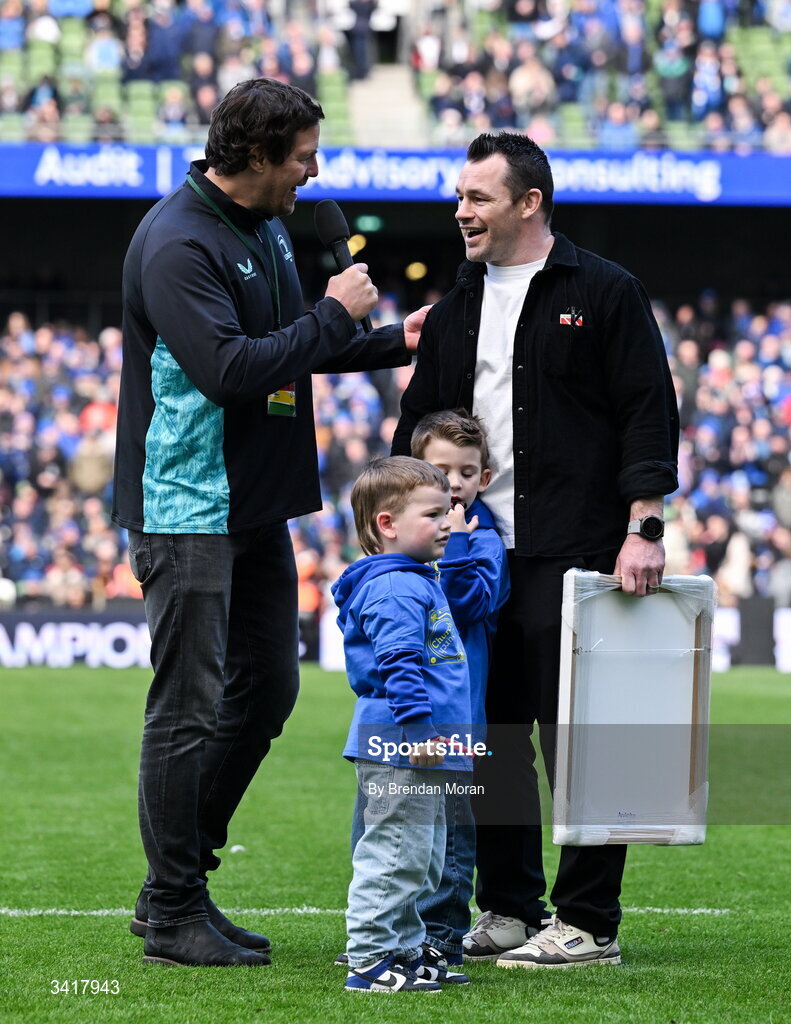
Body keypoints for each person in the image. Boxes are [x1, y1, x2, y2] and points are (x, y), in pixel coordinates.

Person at [111, 78, 428, 968]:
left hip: (250, 502)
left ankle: (173, 887)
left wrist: (395, 340)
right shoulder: (176, 241)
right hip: (189, 506)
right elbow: (226, 368)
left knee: (268, 693)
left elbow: (297, 343)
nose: (313, 171)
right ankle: (173, 908)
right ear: (252, 156)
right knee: (184, 709)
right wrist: (336, 314)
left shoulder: (268, 228)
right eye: (300, 157)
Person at [392, 131, 679, 968]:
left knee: (582, 739)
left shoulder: (605, 290)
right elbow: (417, 428)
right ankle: (510, 909)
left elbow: (646, 413)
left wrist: (642, 527)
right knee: (491, 735)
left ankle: (588, 922)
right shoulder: (454, 307)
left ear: (529, 202)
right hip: (478, 557)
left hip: (582, 551)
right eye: (458, 197)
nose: (460, 212)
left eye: (477, 198)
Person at [332, 456, 472, 992]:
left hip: (421, 747)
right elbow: (399, 666)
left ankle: (406, 949)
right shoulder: (396, 589)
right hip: (402, 746)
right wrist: (419, 735)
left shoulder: (415, 580)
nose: (447, 523)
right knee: (394, 853)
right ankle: (369, 958)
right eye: (434, 514)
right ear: (387, 524)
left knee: (422, 858)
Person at [409, 410, 510, 963]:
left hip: (457, 720)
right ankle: (390, 929)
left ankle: (442, 934)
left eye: (465, 472)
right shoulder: (400, 539)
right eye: (438, 468)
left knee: (450, 836)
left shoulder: (486, 541)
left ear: (483, 480)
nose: (452, 482)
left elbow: (470, 603)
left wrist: (460, 545)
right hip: (400, 716)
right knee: (393, 825)